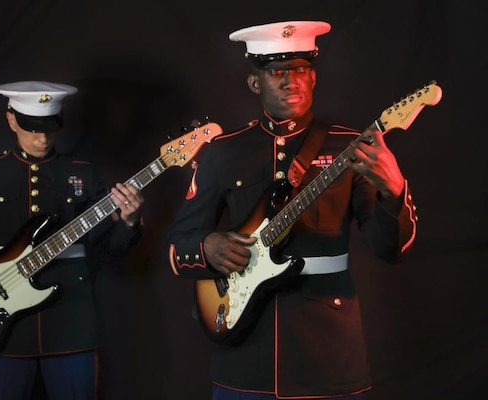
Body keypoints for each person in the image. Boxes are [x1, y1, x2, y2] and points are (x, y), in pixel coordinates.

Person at [165, 21, 418, 399]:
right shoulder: (223, 151)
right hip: (245, 353)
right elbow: (178, 246)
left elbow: (390, 248)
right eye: (276, 73)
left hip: (328, 353)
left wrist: (394, 189)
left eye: (300, 71)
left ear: (313, 78)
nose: (290, 82)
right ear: (255, 83)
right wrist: (209, 248)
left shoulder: (354, 147)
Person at [0, 81, 144, 400]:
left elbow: (111, 246)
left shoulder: (82, 173)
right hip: (0, 325)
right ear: (12, 119)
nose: (41, 137)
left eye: (48, 127)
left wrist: (129, 221)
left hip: (72, 324)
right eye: (32, 127)